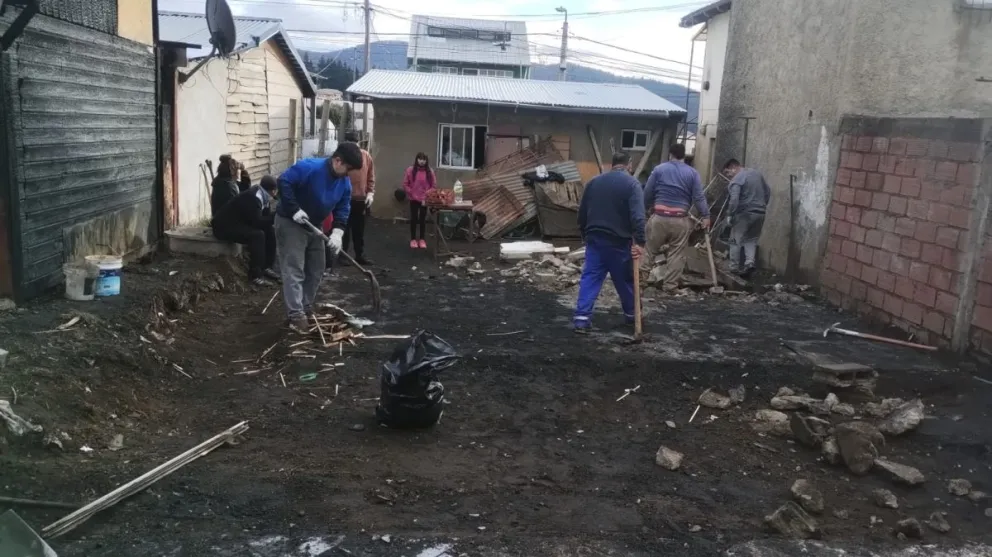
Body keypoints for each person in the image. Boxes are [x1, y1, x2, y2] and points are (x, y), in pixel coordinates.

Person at [275, 142, 364, 331]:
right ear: (337, 161)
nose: (347, 174)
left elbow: (343, 206)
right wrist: (293, 209)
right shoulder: (310, 167)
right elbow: (284, 181)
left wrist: (338, 232)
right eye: (347, 169)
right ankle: (295, 314)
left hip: (314, 224)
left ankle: (306, 306)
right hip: (291, 222)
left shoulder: (344, 182)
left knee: (317, 267)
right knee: (295, 268)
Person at [573, 152, 646, 333]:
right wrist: (640, 243)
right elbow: (638, 217)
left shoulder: (593, 183)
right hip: (619, 241)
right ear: (629, 164)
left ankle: (581, 319)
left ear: (611, 164)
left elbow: (582, 211)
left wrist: (584, 232)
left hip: (595, 237)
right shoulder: (632, 184)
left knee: (590, 277)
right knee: (624, 279)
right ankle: (632, 314)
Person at [642, 143, 711, 291]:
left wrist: (644, 209)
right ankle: (670, 286)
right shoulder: (692, 173)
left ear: (670, 155)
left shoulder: (659, 170)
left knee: (648, 250)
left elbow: (648, 191)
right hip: (680, 219)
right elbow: (699, 197)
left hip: (659, 218)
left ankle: (640, 282)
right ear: (684, 156)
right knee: (676, 254)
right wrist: (705, 215)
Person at [212, 175, 280, 286]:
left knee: (269, 230)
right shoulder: (255, 197)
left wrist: (272, 217)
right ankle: (255, 275)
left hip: (238, 223)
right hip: (223, 227)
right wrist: (275, 215)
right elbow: (257, 222)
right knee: (258, 235)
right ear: (273, 190)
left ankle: (267, 267)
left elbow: (264, 218)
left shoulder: (263, 195)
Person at [722, 158, 771, 276]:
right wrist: (762, 205)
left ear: (734, 167)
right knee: (751, 239)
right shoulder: (756, 174)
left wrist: (730, 214)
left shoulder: (737, 179)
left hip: (744, 214)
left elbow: (734, 200)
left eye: (728, 173)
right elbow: (768, 191)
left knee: (735, 240)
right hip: (760, 213)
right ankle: (749, 263)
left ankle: (733, 267)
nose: (729, 176)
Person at [339, 131, 376, 266]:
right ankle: (342, 255)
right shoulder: (341, 158)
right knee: (343, 227)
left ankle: (360, 255)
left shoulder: (366, 156)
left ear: (358, 143)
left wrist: (370, 193)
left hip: (360, 199)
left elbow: (371, 176)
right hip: (344, 199)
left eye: (355, 144)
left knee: (359, 229)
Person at [403, 152, 436, 249]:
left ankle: (422, 239)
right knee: (414, 219)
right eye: (420, 159)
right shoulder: (410, 170)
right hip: (413, 199)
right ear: (417, 159)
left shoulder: (430, 171)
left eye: (424, 159)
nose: (422, 161)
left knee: (422, 220)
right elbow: (405, 184)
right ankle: (413, 239)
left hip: (424, 200)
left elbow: (433, 186)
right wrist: (412, 192)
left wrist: (426, 196)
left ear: (426, 161)